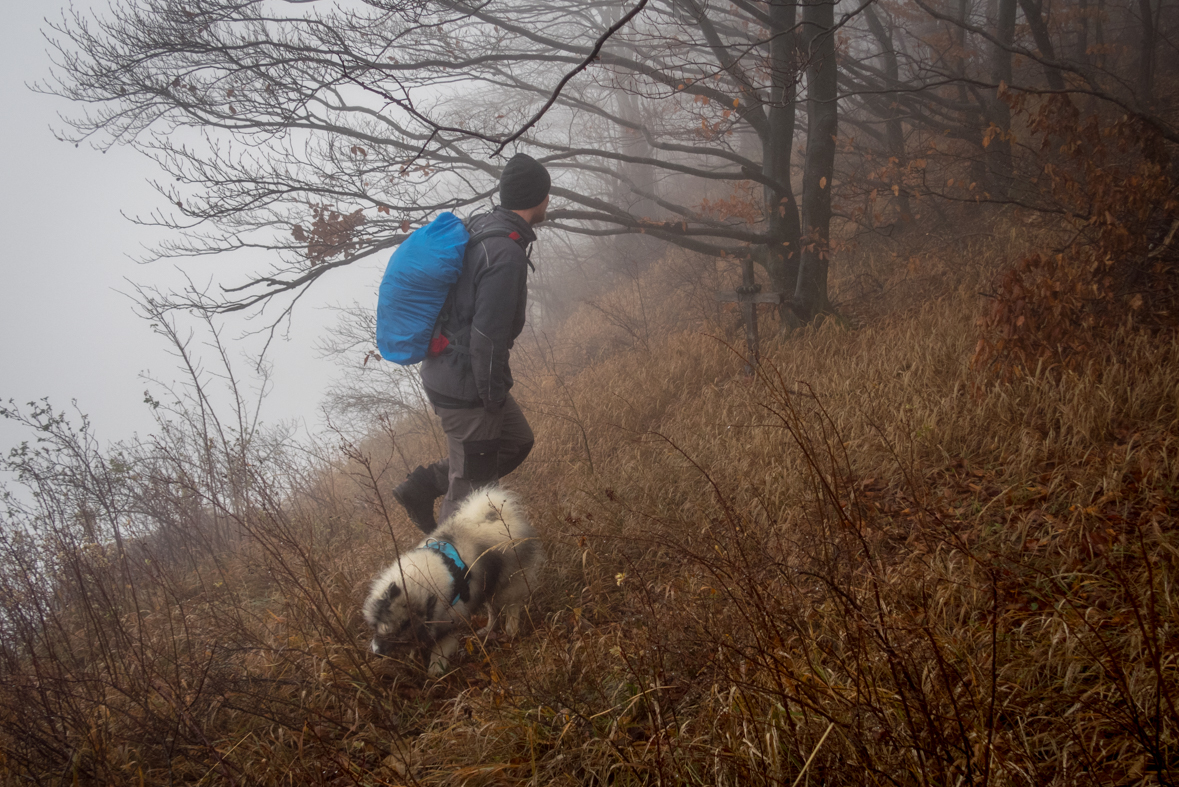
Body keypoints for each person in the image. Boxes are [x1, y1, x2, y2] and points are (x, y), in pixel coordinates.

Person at [393, 153, 550, 533]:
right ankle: (444, 581)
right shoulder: (505, 254)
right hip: (466, 385)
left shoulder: (486, 226)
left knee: (515, 440)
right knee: (468, 498)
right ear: (539, 198)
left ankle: (425, 484)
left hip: (450, 369)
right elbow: (487, 339)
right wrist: (491, 398)